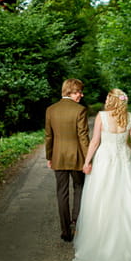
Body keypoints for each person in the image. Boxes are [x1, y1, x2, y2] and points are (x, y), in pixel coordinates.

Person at [73, 88, 131, 261]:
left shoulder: (101, 116)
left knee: (103, 198)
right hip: (124, 160)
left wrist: (87, 161)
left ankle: (103, 244)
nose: (105, 99)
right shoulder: (129, 117)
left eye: (107, 97)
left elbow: (95, 141)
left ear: (111, 100)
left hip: (105, 160)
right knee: (127, 200)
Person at [45, 79, 90, 242]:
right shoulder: (80, 110)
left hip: (58, 157)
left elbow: (49, 136)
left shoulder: (51, 110)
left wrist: (49, 156)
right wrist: (88, 159)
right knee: (79, 187)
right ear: (70, 92)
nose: (81, 95)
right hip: (77, 157)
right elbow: (83, 137)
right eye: (79, 92)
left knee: (61, 193)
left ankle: (65, 231)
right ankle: (76, 222)